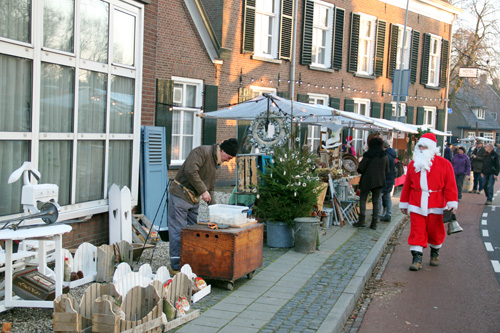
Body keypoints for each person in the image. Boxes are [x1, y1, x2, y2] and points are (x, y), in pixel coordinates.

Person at [167, 138, 238, 274]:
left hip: (194, 200)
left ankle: (191, 262)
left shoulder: (217, 164)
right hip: (180, 195)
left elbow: (210, 188)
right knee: (178, 230)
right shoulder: (201, 151)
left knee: (195, 232)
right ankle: (175, 266)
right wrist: (203, 191)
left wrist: (214, 209)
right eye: (228, 157)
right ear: (222, 150)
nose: (228, 161)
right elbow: (190, 171)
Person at [399, 133, 458, 271]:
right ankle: (417, 258)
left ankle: (435, 253)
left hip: (436, 204)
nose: (421, 149)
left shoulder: (445, 164)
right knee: (417, 230)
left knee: (435, 231)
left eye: (424, 147)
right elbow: (407, 185)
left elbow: (450, 185)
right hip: (416, 203)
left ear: (431, 148)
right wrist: (404, 203)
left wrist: (452, 202)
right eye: (419, 147)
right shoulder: (414, 164)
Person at [354, 137, 389, 230]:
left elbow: (360, 168)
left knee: (363, 199)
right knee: (376, 201)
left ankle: (361, 220)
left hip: (367, 180)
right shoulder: (384, 156)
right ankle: (374, 223)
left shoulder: (368, 155)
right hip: (379, 181)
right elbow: (387, 170)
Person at [378, 140, 397, 222]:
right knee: (387, 196)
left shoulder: (386, 156)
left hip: (385, 178)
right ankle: (388, 214)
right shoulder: (392, 154)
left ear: (383, 147)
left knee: (378, 197)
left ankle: (378, 214)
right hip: (390, 178)